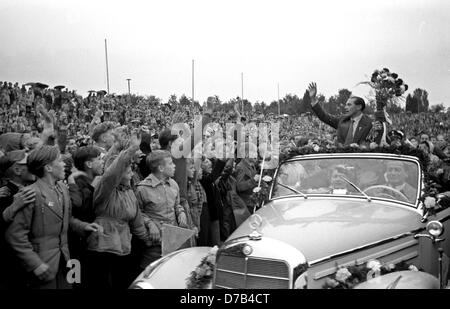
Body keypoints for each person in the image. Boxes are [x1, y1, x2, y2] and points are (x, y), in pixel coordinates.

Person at [5, 145, 101, 289]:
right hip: (43, 265)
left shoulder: (62, 188)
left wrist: (84, 226)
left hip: (66, 260)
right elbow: (14, 235)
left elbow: (67, 219)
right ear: (48, 168)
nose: (64, 164)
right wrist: (35, 264)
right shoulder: (30, 194)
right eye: (60, 161)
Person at [86, 132, 151, 289]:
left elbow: (137, 224)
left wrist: (150, 240)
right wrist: (132, 148)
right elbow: (111, 174)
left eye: (131, 168)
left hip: (123, 247)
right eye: (127, 168)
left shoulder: (129, 192)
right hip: (103, 247)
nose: (130, 171)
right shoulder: (105, 188)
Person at [135, 150, 188, 270]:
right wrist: (149, 223)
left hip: (173, 241)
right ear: (161, 168)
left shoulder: (173, 184)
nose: (174, 166)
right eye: (170, 163)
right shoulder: (142, 189)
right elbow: (137, 213)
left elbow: (176, 205)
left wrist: (181, 212)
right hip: (154, 245)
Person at [0, 150, 36, 289]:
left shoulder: (33, 188)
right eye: (29, 163)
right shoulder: (5, 195)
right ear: (17, 169)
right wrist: (14, 207)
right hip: (14, 269)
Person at [307, 82, 373, 147]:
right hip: (341, 156)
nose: (346, 107)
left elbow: (374, 143)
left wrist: (360, 147)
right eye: (346, 105)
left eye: (349, 105)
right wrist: (313, 98)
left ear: (359, 107)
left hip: (361, 157)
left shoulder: (370, 123)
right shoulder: (342, 120)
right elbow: (324, 116)